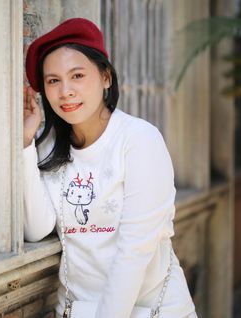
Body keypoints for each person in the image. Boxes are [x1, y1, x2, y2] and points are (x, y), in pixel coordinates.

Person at [23, 18, 197, 318]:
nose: (65, 91)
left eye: (77, 75)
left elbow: (134, 251)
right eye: (53, 81)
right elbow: (37, 229)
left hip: (152, 310)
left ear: (106, 77)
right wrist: (25, 144)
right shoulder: (50, 147)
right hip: (78, 310)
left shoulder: (139, 140)